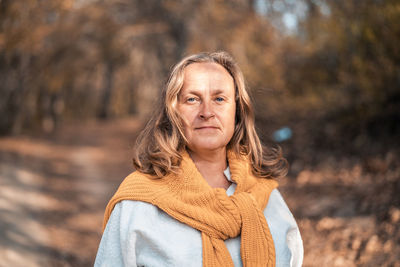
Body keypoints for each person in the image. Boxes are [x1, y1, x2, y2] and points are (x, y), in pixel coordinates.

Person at [95, 51, 303, 267]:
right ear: (173, 112)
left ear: (237, 111)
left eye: (219, 99)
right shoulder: (137, 204)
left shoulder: (269, 198)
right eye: (192, 99)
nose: (206, 112)